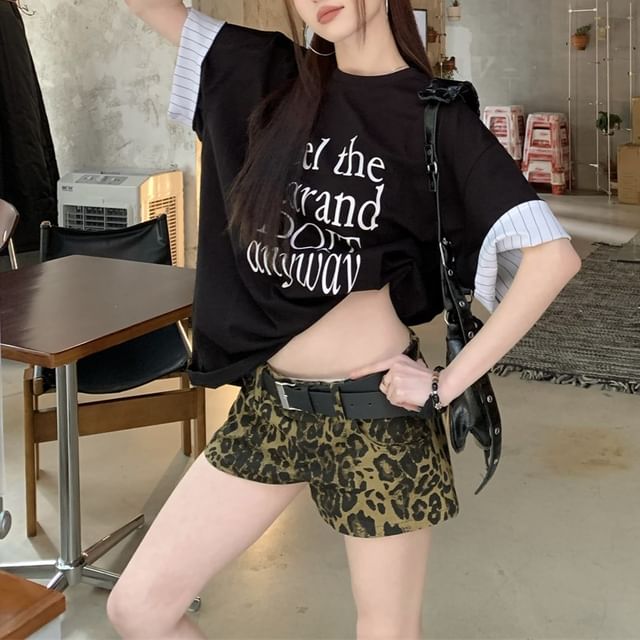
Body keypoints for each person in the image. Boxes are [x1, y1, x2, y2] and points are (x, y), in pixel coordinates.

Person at [107, 1, 582, 638]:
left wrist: (445, 384)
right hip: (271, 406)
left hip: (376, 413)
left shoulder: (433, 112)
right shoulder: (266, 73)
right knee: (138, 608)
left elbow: (553, 258)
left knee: (385, 629)